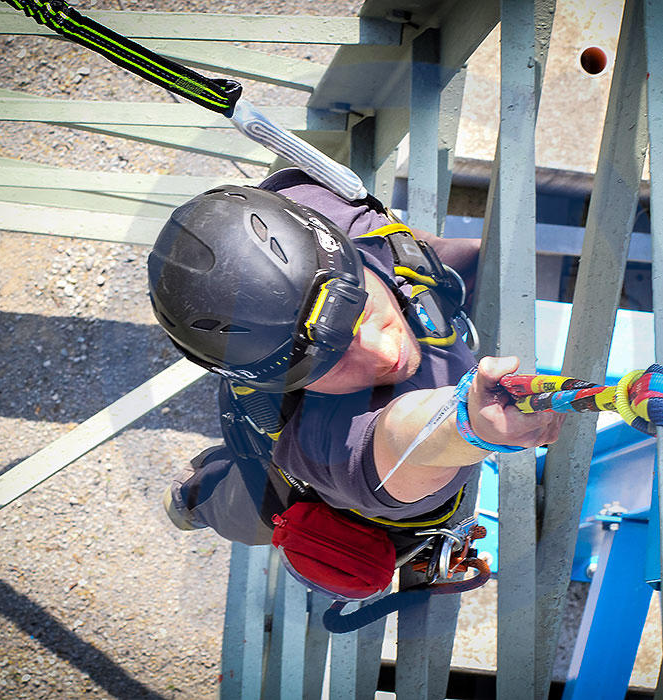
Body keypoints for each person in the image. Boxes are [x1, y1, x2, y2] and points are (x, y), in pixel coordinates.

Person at [148, 168, 564, 561]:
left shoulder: (314, 212)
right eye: (327, 362)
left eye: (358, 308)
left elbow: (385, 243)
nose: (384, 353)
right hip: (284, 474)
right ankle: (195, 497)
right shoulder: (321, 443)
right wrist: (465, 424)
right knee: (254, 507)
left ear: (345, 254)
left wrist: (438, 267)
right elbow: (401, 442)